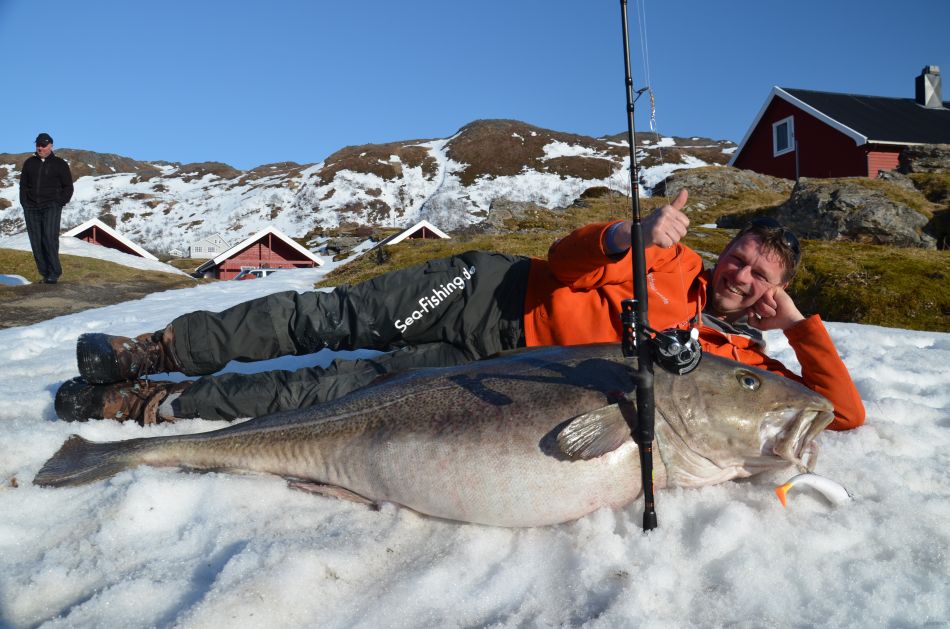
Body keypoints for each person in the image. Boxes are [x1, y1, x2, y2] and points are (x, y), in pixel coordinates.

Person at [55, 189, 865, 431]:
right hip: (491, 292)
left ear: (768, 294)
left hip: (494, 376)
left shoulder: (740, 365)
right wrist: (630, 232)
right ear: (725, 252)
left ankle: (154, 404)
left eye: (761, 278)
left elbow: (841, 411)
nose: (743, 276)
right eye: (742, 258)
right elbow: (562, 260)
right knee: (328, 319)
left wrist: (797, 324)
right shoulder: (670, 253)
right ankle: (154, 349)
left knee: (336, 392)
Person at [19, 133, 74, 284]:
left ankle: (54, 272)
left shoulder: (60, 164)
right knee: (36, 241)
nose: (40, 147)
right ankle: (45, 274)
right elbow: (23, 185)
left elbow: (68, 187)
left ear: (51, 146)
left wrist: (59, 202)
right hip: (31, 207)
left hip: (51, 206)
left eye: (43, 145)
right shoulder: (29, 163)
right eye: (38, 144)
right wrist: (24, 203)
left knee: (49, 238)